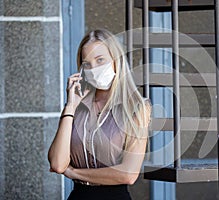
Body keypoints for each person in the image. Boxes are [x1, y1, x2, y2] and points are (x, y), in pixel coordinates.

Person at [48, 29, 151, 200]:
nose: (94, 69)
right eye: (87, 64)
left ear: (116, 61)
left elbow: (128, 174)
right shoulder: (77, 106)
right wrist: (70, 107)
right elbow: (58, 164)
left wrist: (74, 173)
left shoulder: (137, 107)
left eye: (100, 60)